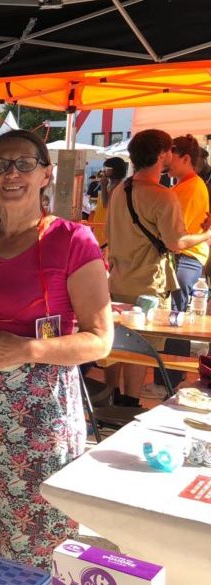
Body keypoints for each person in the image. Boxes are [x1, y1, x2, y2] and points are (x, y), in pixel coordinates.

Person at [0, 130, 113, 567]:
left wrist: (25, 350)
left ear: (45, 175)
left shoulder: (73, 241)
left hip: (40, 420)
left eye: (24, 164)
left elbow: (100, 339)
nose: (11, 173)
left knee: (35, 544)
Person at [106, 130, 211, 406]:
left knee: (113, 346)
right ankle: (127, 405)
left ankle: (107, 402)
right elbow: (177, 243)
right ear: (163, 154)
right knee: (140, 350)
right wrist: (206, 235)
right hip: (148, 285)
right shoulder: (163, 196)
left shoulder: (120, 189)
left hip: (116, 280)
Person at [168, 134, 211, 312]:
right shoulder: (185, 186)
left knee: (173, 321)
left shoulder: (191, 187)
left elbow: (176, 238)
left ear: (186, 159)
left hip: (185, 258)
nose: (167, 162)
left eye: (171, 157)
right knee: (174, 321)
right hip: (184, 258)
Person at [89, 157, 128, 249]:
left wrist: (103, 186)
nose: (104, 171)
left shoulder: (118, 186)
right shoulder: (112, 184)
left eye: (106, 168)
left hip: (107, 222)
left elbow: (106, 204)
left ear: (115, 170)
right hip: (102, 220)